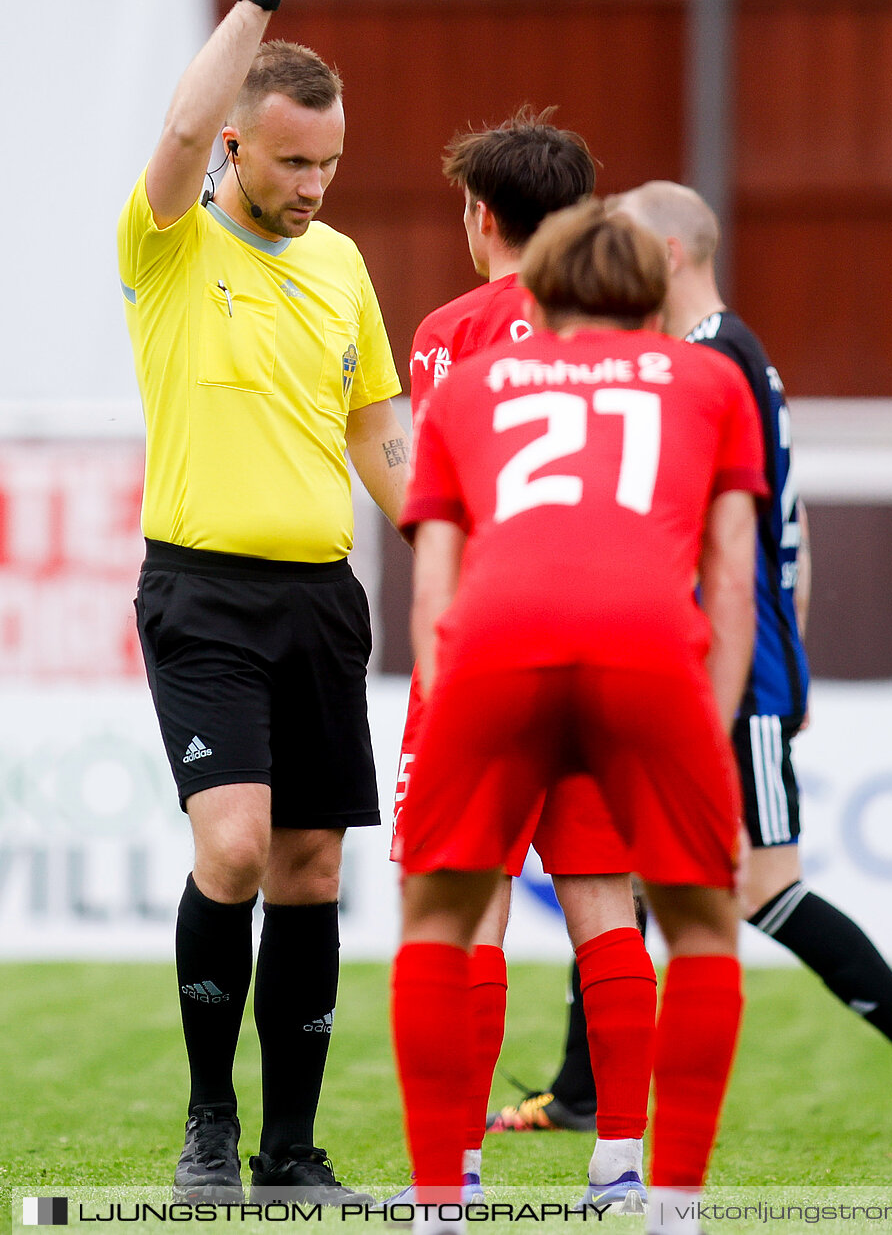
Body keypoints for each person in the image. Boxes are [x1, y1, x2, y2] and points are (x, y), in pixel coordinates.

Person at [490, 182, 892, 1142]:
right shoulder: (719, 356)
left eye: (628, 247)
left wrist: (778, 671)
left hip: (735, 666)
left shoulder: (711, 359)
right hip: (711, 655)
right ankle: (582, 1088)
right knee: (622, 868)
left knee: (762, 885)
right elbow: (789, 527)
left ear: (670, 257)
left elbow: (746, 537)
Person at [117, 0, 410, 1202]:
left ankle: (293, 1154)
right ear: (240, 146)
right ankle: (209, 1131)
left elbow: (383, 442)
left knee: (310, 866)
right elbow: (179, 123)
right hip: (203, 594)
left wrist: (470, 545)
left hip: (321, 601)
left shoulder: (344, 265)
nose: (313, 189)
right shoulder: (167, 242)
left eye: (330, 167)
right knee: (232, 847)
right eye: (293, 165)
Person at [393, 200, 763, 1235]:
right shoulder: (708, 379)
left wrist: (450, 712)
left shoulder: (468, 384)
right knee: (695, 927)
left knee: (440, 919)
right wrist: (706, 725)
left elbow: (434, 586)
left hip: (495, 650)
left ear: (538, 293)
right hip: (647, 650)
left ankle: (442, 1201)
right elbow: (730, 582)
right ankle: (658, 1195)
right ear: (650, 290)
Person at [391, 112, 657, 1208]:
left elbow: (435, 514)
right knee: (605, 901)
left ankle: (456, 1167)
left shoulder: (447, 332)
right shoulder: (634, 342)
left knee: (472, 908)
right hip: (605, 641)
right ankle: (622, 1159)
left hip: (486, 641)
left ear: (481, 216)